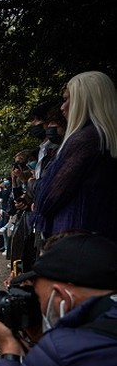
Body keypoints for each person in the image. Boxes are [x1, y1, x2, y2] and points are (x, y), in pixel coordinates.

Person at [0, 232, 117, 366]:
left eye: (39, 298)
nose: (37, 305)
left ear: (63, 298)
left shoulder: (63, 354)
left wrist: (10, 351)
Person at [32, 71, 117, 242]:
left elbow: (53, 194)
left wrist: (39, 196)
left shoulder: (86, 140)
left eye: (67, 99)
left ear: (85, 101)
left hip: (73, 235)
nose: (63, 107)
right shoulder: (104, 138)